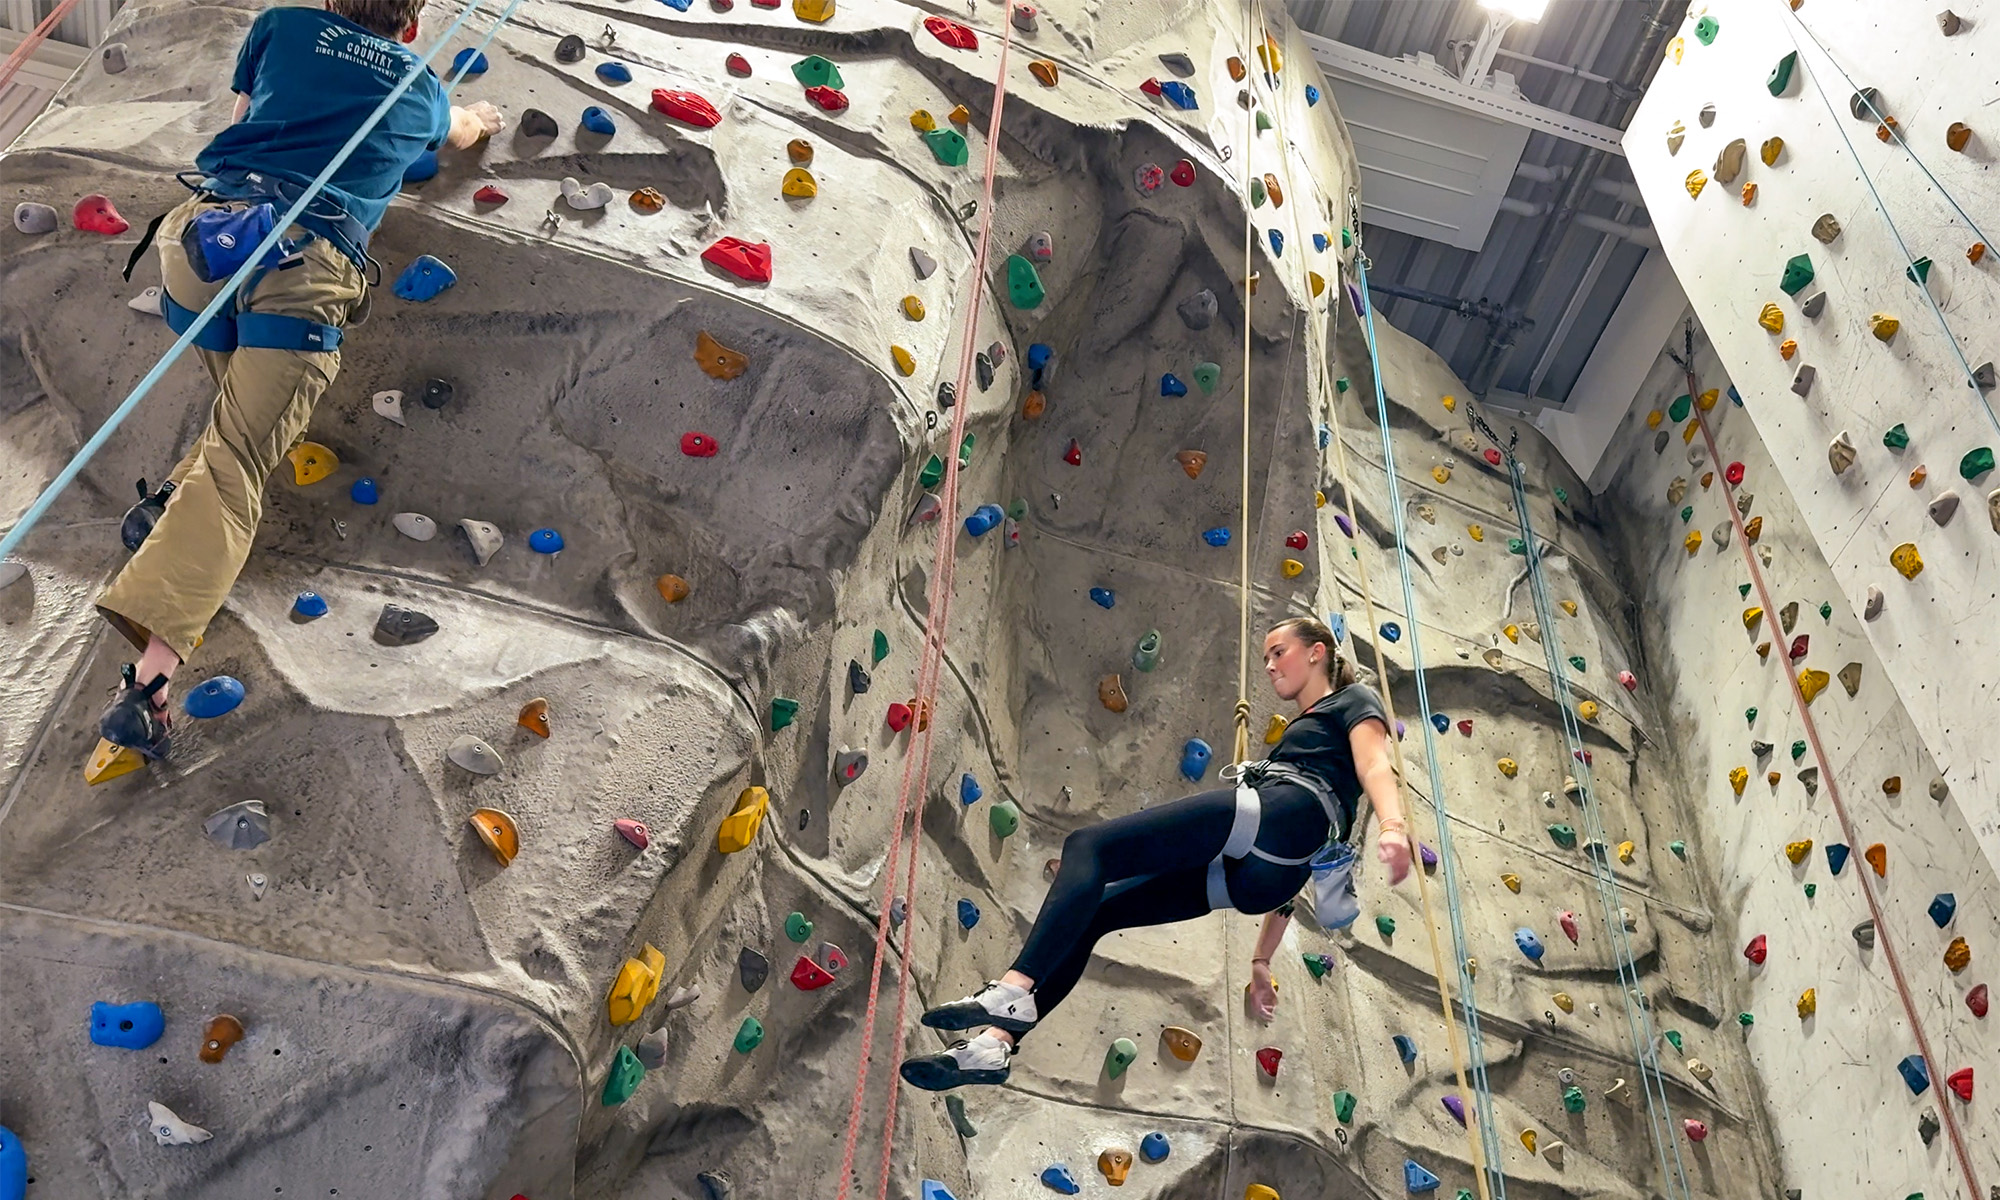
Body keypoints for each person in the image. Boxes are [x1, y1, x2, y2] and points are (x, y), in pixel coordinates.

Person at [95, 0, 504, 757]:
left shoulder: (281, 25)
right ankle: (148, 686)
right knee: (241, 461)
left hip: (198, 248)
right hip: (299, 271)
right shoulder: (417, 84)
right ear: (410, 25)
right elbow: (461, 135)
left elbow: (248, 112)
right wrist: (470, 113)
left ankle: (165, 513)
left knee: (234, 427)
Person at [900, 616, 1412, 1090]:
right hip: (1265, 875)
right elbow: (1297, 860)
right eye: (1266, 659)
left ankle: (1015, 987)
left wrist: (1391, 823)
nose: (1271, 666)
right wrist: (1260, 960)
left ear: (1318, 652)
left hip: (1282, 818)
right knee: (1098, 911)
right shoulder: (1308, 737)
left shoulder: (1353, 701)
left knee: (1089, 846)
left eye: (1279, 652)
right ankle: (994, 1045)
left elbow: (1375, 765)